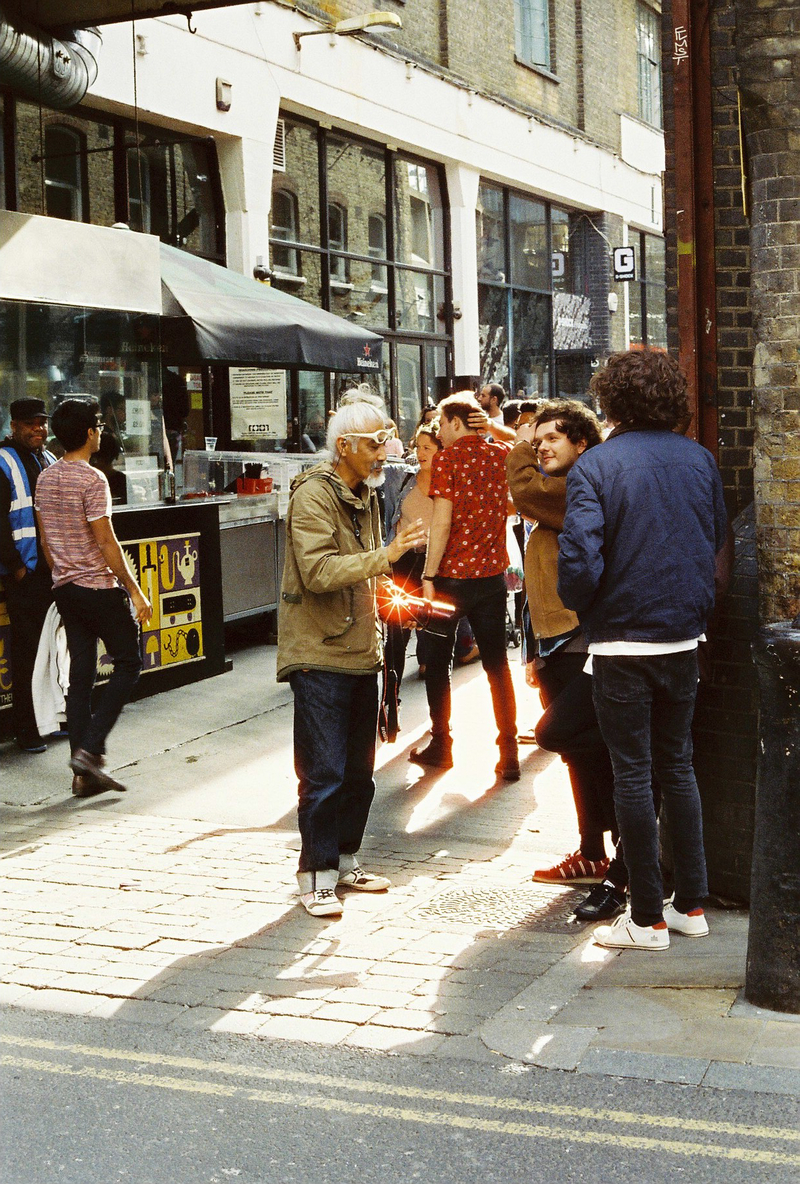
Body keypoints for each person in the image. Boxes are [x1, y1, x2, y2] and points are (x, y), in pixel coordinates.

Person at [558, 350, 728, 951]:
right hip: (683, 635)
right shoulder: (699, 460)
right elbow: (716, 546)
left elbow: (578, 560)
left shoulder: (598, 466)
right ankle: (692, 905)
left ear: (611, 400)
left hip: (622, 638)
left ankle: (647, 917)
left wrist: (586, 610)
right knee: (678, 767)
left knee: (633, 773)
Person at [276, 392, 426, 918]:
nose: (385, 452)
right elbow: (318, 572)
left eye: (387, 441)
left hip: (361, 649)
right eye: (374, 443)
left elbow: (369, 567)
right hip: (319, 653)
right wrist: (385, 557)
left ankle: (343, 861)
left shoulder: (365, 492)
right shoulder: (314, 497)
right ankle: (314, 874)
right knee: (324, 772)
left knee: (360, 772)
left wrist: (396, 588)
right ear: (344, 446)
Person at [508, 399, 624, 919]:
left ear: (582, 443)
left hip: (581, 637)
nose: (541, 447)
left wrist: (515, 441)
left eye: (552, 438)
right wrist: (535, 650)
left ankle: (625, 858)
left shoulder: (574, 487)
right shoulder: (562, 486)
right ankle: (592, 853)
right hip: (554, 639)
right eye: (538, 441)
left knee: (584, 742)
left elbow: (523, 488)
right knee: (580, 753)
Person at [35, 400, 152, 797]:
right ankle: (91, 750)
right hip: (98, 589)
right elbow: (106, 541)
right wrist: (134, 591)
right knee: (129, 662)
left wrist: (59, 576)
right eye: (98, 425)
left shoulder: (46, 477)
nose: (101, 431)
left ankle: (82, 776)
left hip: (65, 588)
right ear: (89, 433)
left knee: (81, 675)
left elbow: (46, 539)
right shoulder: (93, 479)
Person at [413, 391, 518, 779]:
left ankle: (442, 743)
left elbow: (441, 522)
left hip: (451, 580)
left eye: (442, 423)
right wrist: (494, 430)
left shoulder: (448, 460)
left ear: (457, 422)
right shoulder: (500, 456)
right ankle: (508, 753)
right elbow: (526, 450)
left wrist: (427, 575)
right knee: (496, 667)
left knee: (438, 664)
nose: (439, 432)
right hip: (491, 579)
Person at [0, 398, 57, 752]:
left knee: (52, 649)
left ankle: (49, 720)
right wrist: (18, 569)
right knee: (28, 653)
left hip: (51, 571)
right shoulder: (3, 460)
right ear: (14, 426)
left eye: (42, 423)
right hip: (24, 574)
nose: (39, 429)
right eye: (31, 423)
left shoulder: (47, 458)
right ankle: (27, 729)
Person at [383, 421, 442, 694]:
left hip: (434, 563)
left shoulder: (449, 482)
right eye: (417, 446)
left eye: (427, 447)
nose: (420, 452)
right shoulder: (402, 478)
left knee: (433, 633)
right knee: (396, 631)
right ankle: (390, 696)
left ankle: (438, 709)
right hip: (404, 561)